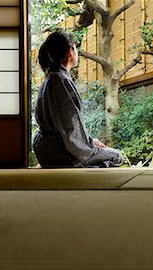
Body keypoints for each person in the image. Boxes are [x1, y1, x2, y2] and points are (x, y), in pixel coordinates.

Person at [33, 31, 122, 168]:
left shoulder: (51, 78)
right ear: (70, 51)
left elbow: (68, 127)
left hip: (45, 149)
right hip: (59, 151)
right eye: (75, 49)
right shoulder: (60, 80)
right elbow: (69, 127)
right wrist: (90, 146)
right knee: (116, 157)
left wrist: (91, 141)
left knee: (103, 152)